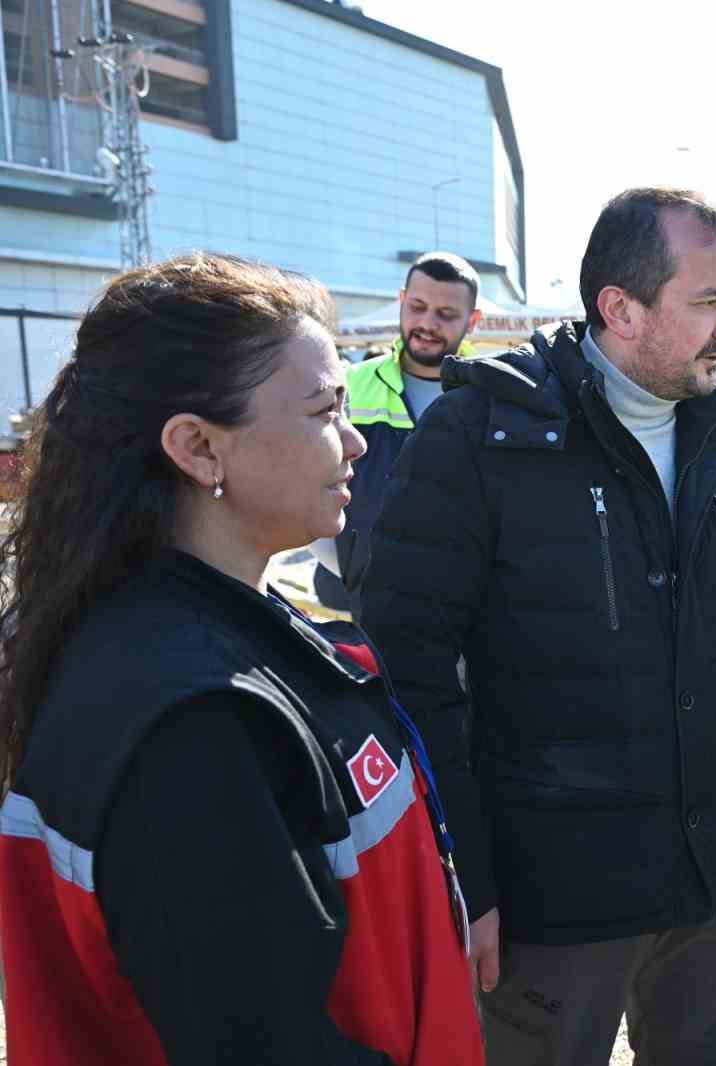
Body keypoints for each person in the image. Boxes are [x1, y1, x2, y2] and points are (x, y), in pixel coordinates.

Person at [361, 187, 716, 1066]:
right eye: (711, 301)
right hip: (555, 898)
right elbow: (409, 667)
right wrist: (467, 877)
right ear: (621, 309)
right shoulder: (482, 435)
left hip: (708, 879)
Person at [0, 253, 481, 1066]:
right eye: (325, 410)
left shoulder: (212, 627)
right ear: (196, 447)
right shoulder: (193, 727)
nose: (356, 440)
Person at [311, 251, 482, 615]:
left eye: (446, 314)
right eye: (417, 306)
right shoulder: (349, 385)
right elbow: (307, 481)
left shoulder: (489, 397)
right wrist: (346, 566)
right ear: (401, 302)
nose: (427, 323)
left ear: (474, 320)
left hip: (461, 610)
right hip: (360, 605)